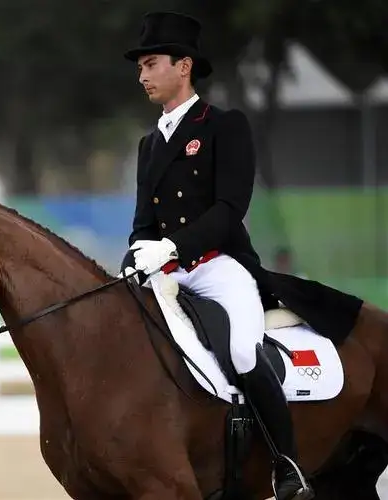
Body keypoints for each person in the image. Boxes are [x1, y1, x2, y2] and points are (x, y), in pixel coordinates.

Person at [119, 11, 317, 500]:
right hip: (166, 274)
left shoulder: (224, 126)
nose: (142, 75)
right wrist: (135, 256)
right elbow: (144, 221)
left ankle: (285, 466)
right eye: (140, 66)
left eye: (151, 63)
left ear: (183, 66)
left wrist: (174, 246)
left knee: (243, 352)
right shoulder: (149, 145)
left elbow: (230, 210)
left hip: (217, 267)